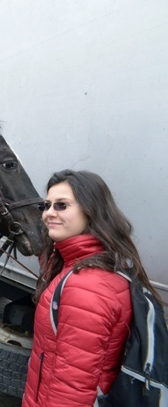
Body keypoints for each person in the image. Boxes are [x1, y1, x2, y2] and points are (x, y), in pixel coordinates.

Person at [22, 170, 162, 407]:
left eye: (62, 205)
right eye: (46, 205)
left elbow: (71, 387)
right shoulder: (81, 267)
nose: (49, 214)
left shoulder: (86, 286)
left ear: (91, 211)